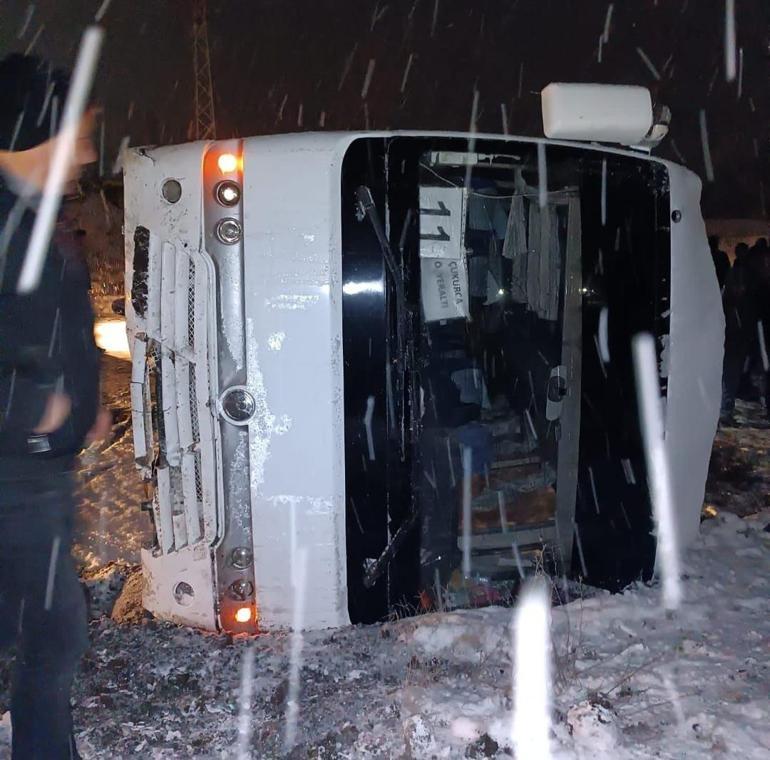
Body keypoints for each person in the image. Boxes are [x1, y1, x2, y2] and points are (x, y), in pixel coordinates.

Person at [0, 53, 107, 759]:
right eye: (80, 133)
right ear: (37, 135)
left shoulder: (37, 219)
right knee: (54, 632)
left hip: (39, 475)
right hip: (14, 475)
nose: (91, 152)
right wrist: (30, 403)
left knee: (47, 631)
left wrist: (86, 401)